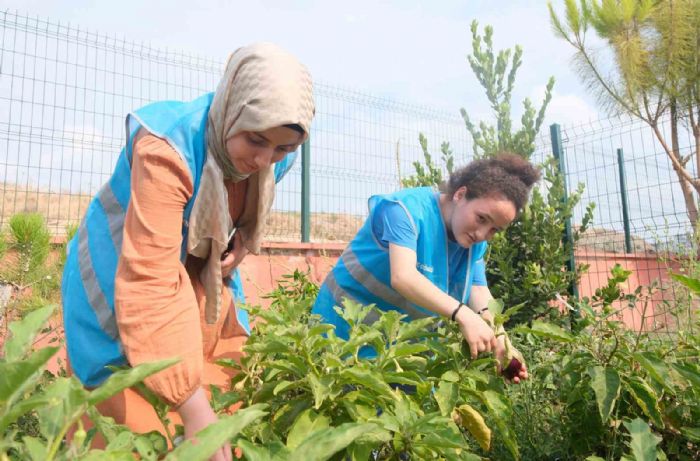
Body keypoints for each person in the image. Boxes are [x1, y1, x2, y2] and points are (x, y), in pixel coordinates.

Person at [61, 42, 315, 459]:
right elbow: (149, 283)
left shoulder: (273, 151)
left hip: (192, 277)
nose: (265, 159)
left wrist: (243, 243)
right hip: (123, 275)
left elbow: (244, 204)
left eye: (284, 149)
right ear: (233, 107)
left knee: (216, 386)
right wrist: (194, 411)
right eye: (256, 140)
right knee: (127, 422)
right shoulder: (166, 149)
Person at [312, 154, 539, 381]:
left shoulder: (472, 242)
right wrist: (465, 316)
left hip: (402, 349)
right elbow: (403, 276)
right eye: (481, 218)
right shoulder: (405, 210)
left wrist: (500, 340)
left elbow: (478, 291)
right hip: (344, 331)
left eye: (494, 230)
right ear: (460, 194)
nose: (482, 234)